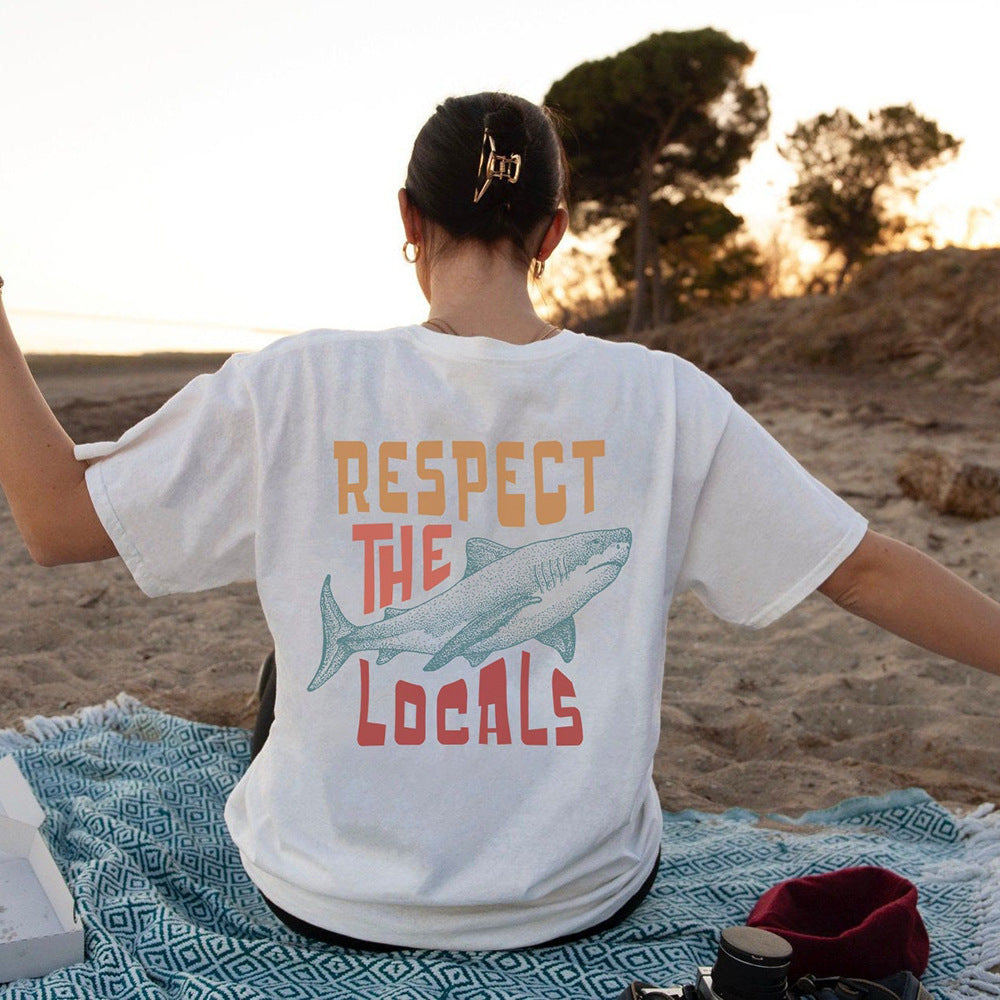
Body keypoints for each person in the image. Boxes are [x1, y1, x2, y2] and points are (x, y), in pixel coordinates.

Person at [1, 91, 999, 954]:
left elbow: (53, 520)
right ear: (553, 232)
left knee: (290, 671)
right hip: (576, 899)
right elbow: (861, 571)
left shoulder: (295, 383)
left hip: (321, 894)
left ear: (407, 217)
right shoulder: (664, 400)